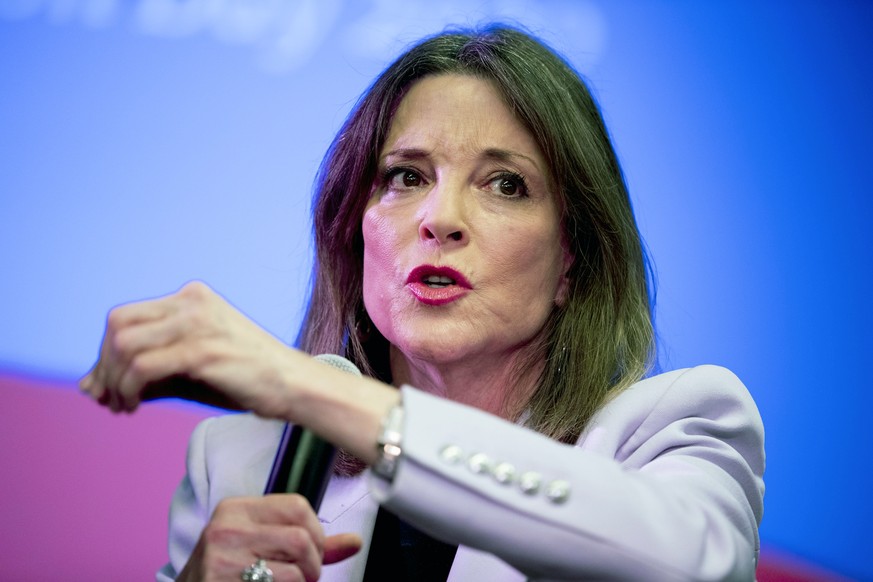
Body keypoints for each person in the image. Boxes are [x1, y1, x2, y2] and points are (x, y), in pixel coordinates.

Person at [81, 24, 765, 581]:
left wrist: (309, 389)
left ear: (570, 262)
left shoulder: (671, 429)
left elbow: (689, 567)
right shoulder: (236, 465)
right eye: (406, 176)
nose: (440, 218)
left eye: (505, 184)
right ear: (352, 232)